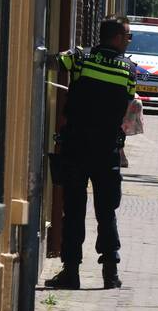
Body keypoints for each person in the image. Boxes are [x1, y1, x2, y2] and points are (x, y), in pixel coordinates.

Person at [46, 15, 137, 290]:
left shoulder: (81, 60)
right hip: (107, 150)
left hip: (76, 146)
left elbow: (53, 62)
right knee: (106, 212)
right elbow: (129, 101)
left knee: (73, 211)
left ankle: (71, 272)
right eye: (128, 36)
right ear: (117, 38)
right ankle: (110, 273)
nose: (129, 40)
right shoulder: (128, 70)